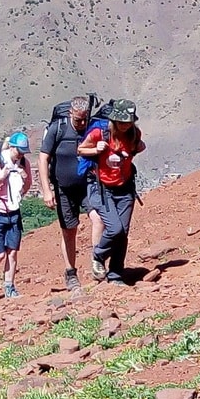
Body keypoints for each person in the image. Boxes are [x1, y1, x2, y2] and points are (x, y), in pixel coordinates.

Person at [81, 100, 145, 285]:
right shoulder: (100, 133)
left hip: (125, 188)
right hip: (102, 188)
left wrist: (138, 148)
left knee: (122, 233)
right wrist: (95, 149)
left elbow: (134, 149)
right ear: (114, 119)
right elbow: (81, 149)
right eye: (122, 121)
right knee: (115, 229)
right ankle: (98, 256)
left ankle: (116, 274)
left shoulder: (134, 134)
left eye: (129, 121)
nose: (126, 125)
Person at [38, 95, 97, 293]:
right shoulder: (58, 129)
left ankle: (97, 263)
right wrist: (46, 190)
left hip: (87, 184)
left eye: (84, 119)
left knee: (99, 219)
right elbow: (43, 158)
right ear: (71, 113)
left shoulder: (91, 127)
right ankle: (71, 273)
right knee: (69, 231)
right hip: (63, 188)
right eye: (78, 119)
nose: (81, 124)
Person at [0, 131, 33, 302]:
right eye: (19, 151)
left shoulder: (24, 163)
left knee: (12, 253)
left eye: (24, 151)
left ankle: (9, 286)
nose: (21, 154)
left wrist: (19, 193)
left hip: (13, 212)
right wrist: (2, 177)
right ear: (12, 147)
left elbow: (29, 182)